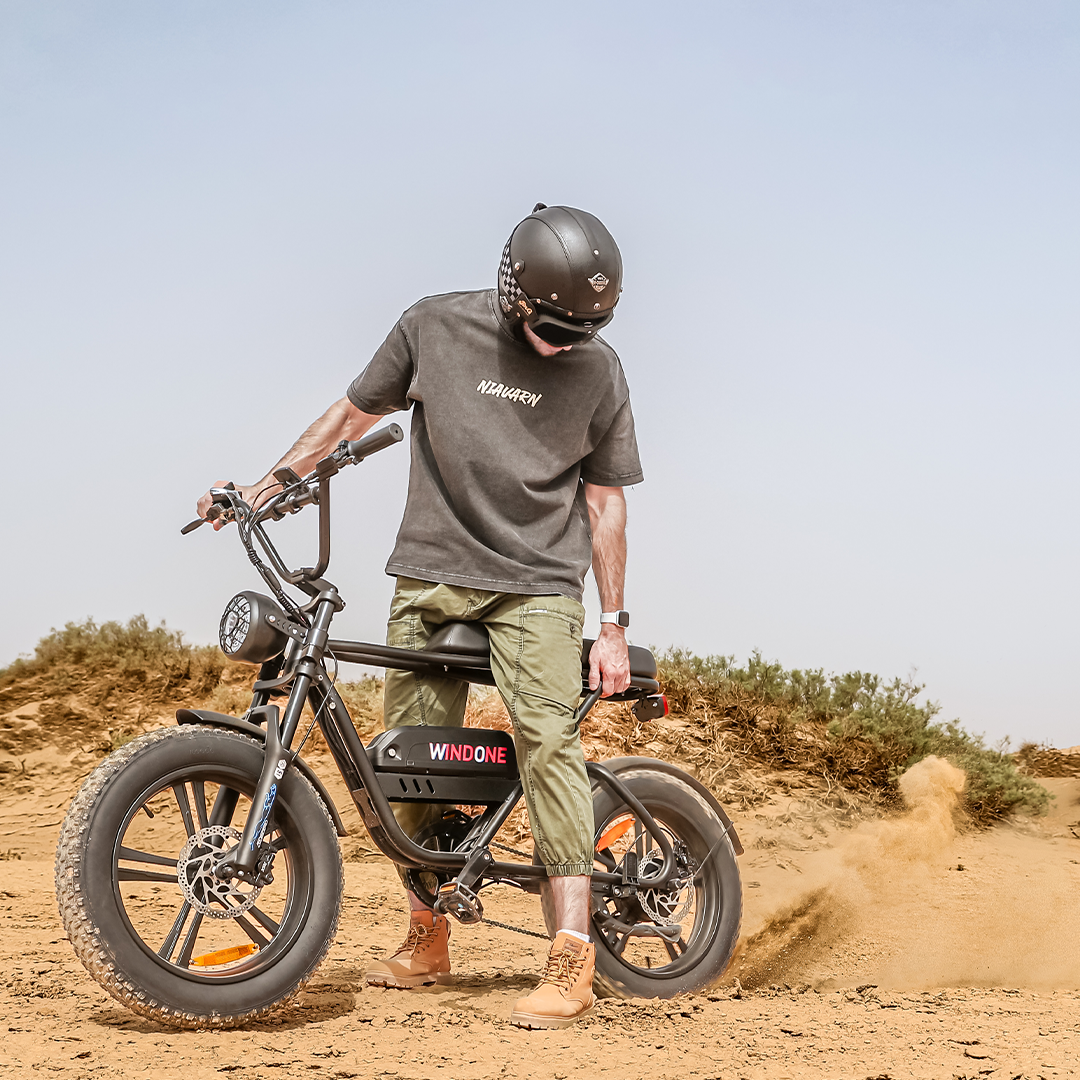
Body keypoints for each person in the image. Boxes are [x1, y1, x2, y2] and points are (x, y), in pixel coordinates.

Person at [197, 203, 643, 1029]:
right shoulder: (434, 325)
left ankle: (571, 953)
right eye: (549, 326)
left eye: (579, 331)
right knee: (404, 762)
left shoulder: (600, 370)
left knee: (547, 735)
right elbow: (352, 414)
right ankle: (428, 934)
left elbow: (605, 500)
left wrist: (611, 621)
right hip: (431, 576)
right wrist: (267, 486)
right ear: (512, 291)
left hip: (539, 583)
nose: (562, 344)